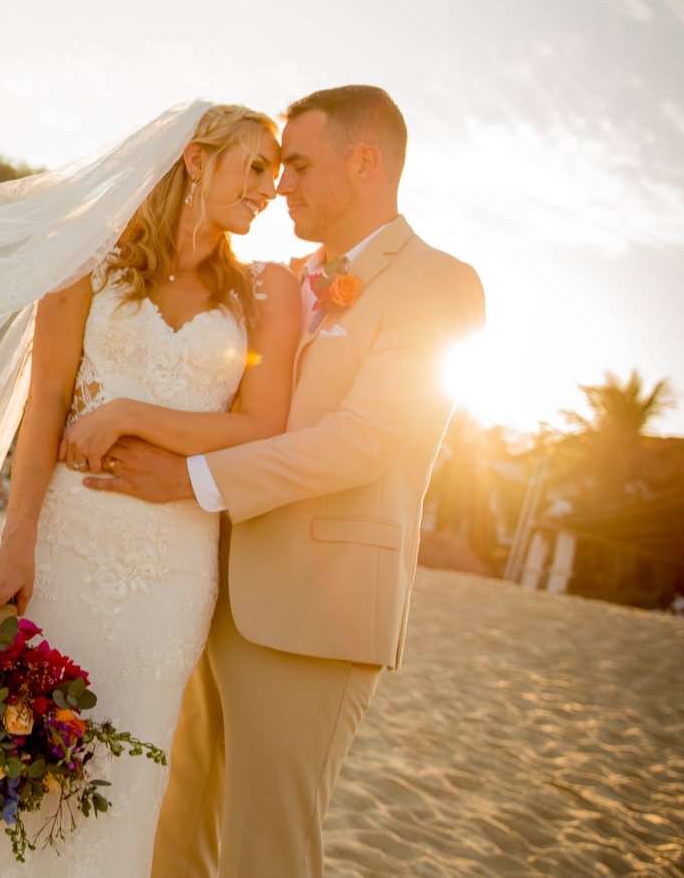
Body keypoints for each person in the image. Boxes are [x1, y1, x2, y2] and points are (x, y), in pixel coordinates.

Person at [0, 103, 302, 876]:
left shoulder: (263, 295)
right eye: (254, 166)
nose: (267, 189)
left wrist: (128, 414)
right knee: (16, 741)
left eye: (277, 178)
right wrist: (16, 541)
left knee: (125, 760)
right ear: (193, 159)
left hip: (173, 570)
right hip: (68, 541)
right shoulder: (93, 262)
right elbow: (44, 405)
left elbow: (262, 423)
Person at [84, 85, 485, 878]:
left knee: (265, 852)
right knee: (174, 833)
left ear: (364, 162)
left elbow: (362, 442)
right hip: (205, 590)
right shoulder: (273, 280)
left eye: (298, 164)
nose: (281, 185)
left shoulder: (440, 285)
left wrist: (190, 477)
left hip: (317, 609)